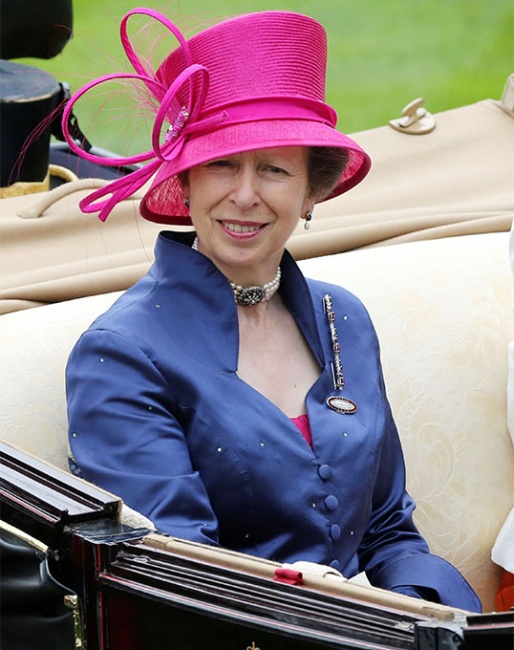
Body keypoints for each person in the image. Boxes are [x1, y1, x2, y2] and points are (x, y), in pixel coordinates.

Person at [64, 8, 481, 612]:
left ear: (313, 192)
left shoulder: (345, 319)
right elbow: (176, 575)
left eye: (274, 170)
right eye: (221, 164)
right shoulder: (120, 354)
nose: (244, 194)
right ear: (185, 183)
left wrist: (429, 616)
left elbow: (388, 529)